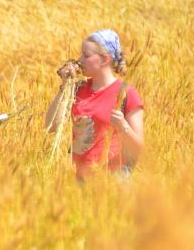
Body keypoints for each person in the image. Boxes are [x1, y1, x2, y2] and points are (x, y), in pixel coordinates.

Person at [44, 29, 145, 180]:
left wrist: (122, 125)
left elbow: (139, 149)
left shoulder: (127, 93)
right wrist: (65, 86)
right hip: (81, 178)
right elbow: (51, 126)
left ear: (104, 59)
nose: (80, 60)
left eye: (86, 55)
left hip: (114, 178)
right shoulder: (78, 89)